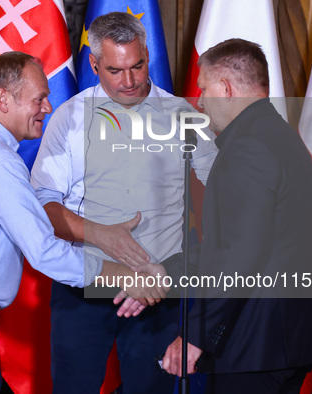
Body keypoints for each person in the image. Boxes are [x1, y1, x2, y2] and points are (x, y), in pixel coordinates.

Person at [0, 51, 167, 393]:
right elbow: (45, 252)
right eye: (39, 98)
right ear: (3, 99)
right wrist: (127, 276)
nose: (48, 108)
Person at [30, 12, 218, 393]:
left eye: (138, 66)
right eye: (116, 71)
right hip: (82, 289)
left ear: (148, 55)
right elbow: (41, 208)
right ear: (95, 64)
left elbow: (230, 196)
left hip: (160, 291)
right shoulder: (68, 118)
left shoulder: (183, 115)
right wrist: (101, 236)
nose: (130, 81)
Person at [161, 39, 312, 393]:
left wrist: (195, 336)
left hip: (255, 346)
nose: (201, 101)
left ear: (226, 88)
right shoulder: (278, 135)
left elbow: (239, 255)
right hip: (276, 342)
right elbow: (239, 245)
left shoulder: (249, 146)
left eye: (204, 88)